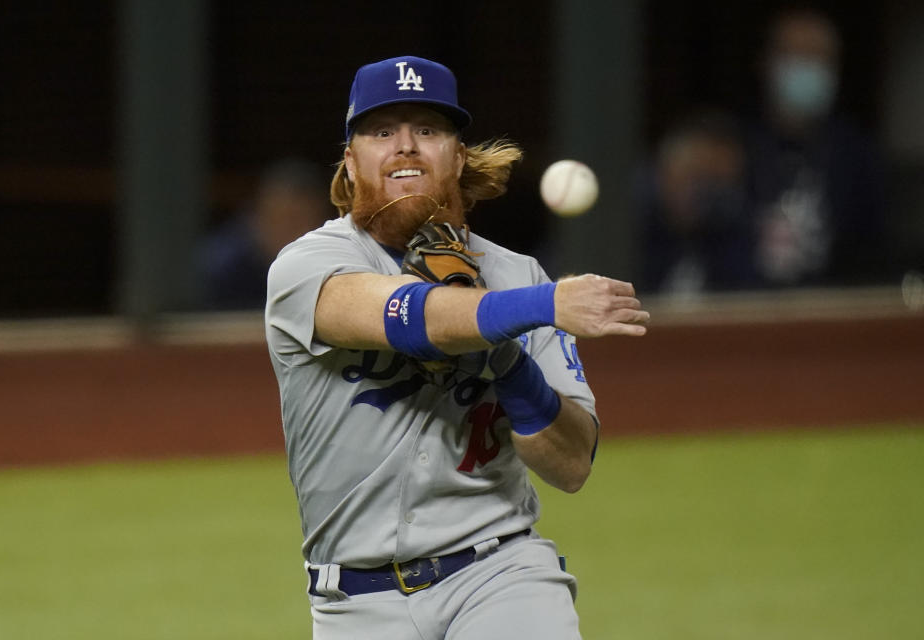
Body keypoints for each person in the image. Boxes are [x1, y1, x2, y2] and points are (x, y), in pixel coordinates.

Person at [264, 56, 650, 639]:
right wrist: (528, 311)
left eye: (427, 130)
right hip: (354, 604)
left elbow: (571, 464)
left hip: (499, 576)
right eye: (382, 131)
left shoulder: (520, 276)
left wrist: (506, 357)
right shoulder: (308, 265)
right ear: (351, 160)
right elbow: (409, 319)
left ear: (458, 155)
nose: (405, 147)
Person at [745, 7, 888, 287]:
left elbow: (873, 258)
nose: (808, 69)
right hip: (748, 312)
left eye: (820, 58)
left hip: (829, 315)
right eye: (796, 56)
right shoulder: (734, 147)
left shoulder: (857, 157)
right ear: (765, 63)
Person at [636, 110, 755, 294]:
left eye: (713, 182)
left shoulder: (730, 240)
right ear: (665, 171)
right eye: (692, 176)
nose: (700, 191)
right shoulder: (633, 232)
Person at [198, 159, 330, 309]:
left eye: (301, 222)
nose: (291, 232)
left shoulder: (332, 263)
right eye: (282, 219)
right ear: (258, 215)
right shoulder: (222, 266)